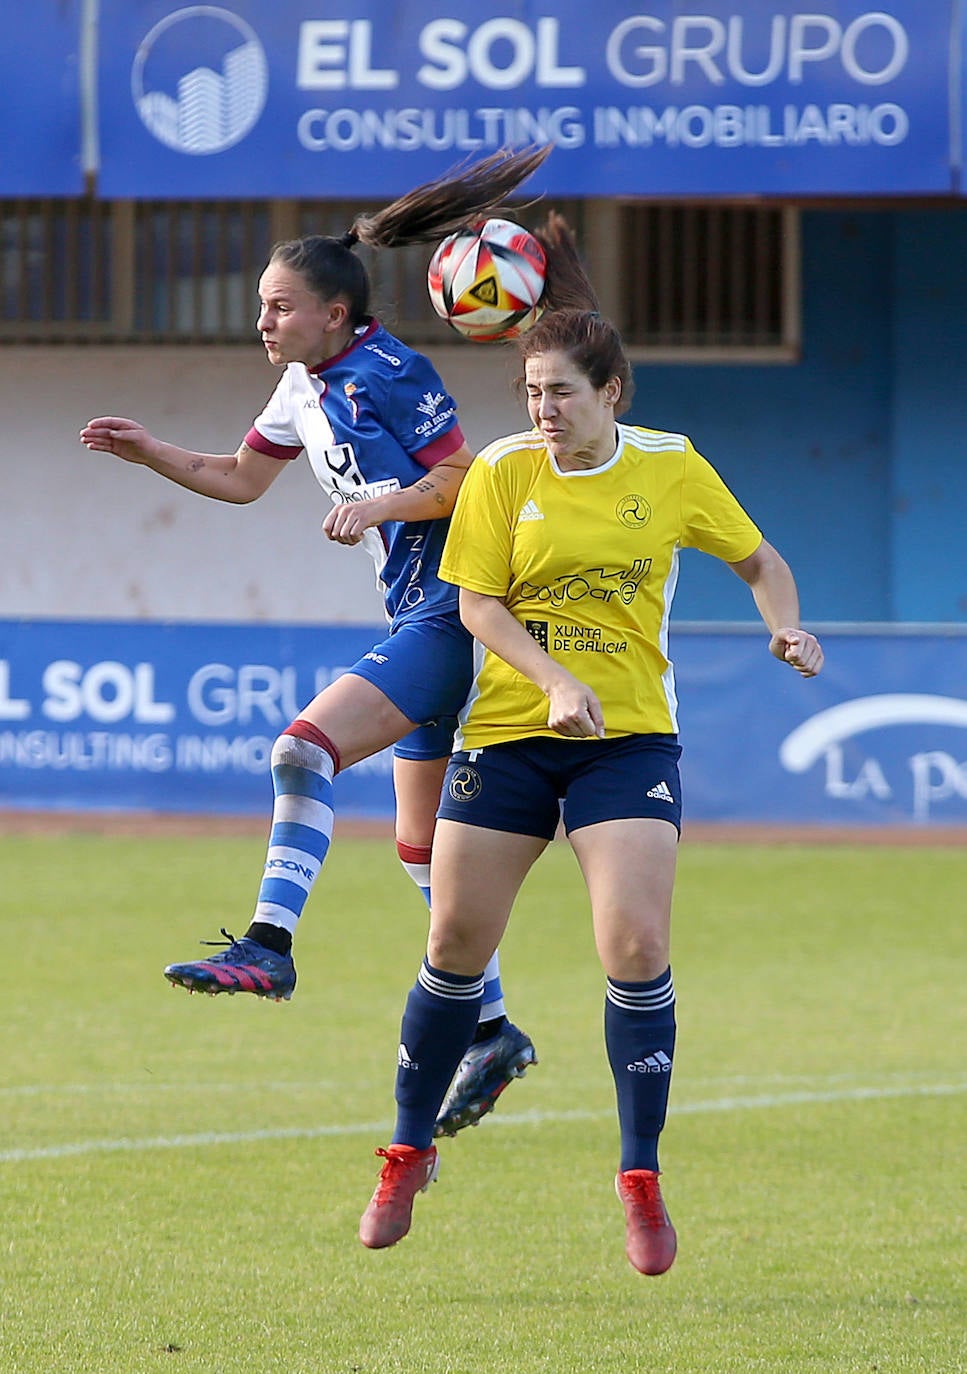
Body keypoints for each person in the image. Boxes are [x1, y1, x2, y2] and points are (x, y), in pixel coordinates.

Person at [357, 213, 824, 1272]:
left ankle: (640, 1179)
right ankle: (405, 1148)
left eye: (560, 393)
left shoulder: (669, 467)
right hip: (514, 735)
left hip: (627, 743)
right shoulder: (503, 474)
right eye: (530, 394)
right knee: (453, 950)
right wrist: (554, 681)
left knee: (634, 949)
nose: (543, 412)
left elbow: (759, 561)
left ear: (610, 393)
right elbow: (476, 607)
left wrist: (783, 625)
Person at [78, 145, 552, 1136]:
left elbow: (466, 476)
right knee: (423, 851)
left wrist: (384, 499)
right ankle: (496, 1029)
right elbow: (239, 479)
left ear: (335, 313)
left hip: (453, 612)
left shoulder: (389, 369)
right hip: (416, 614)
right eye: (261, 304)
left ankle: (268, 944)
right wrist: (147, 451)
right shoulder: (301, 387)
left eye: (279, 307)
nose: (263, 320)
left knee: (303, 748)